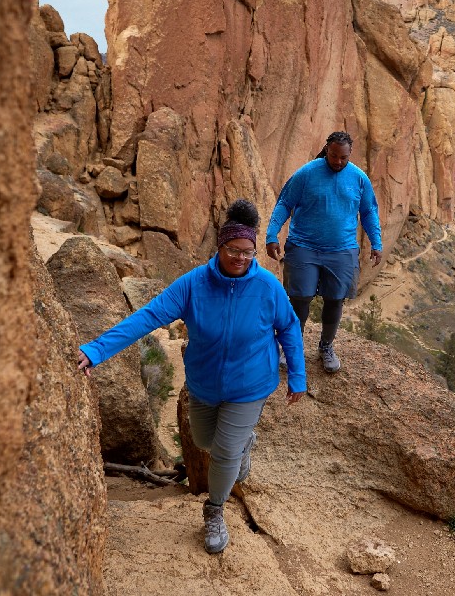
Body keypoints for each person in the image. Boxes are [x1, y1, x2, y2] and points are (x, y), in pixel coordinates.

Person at [77, 199, 305, 555]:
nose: (242, 259)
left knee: (225, 453)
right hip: (204, 384)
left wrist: (297, 376)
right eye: (234, 251)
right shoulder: (193, 285)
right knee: (204, 441)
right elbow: (146, 317)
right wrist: (97, 350)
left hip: (251, 385)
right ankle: (244, 444)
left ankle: (214, 510)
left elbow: (289, 327)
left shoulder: (267, 287)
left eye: (249, 252)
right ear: (220, 246)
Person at [266, 130, 383, 373]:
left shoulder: (359, 178)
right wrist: (272, 234)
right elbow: (284, 204)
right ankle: (291, 348)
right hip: (303, 246)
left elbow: (369, 212)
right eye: (333, 156)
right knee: (300, 298)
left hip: (341, 250)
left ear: (350, 154)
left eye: (343, 158)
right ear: (326, 150)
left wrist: (376, 243)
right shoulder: (307, 173)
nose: (338, 162)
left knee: (335, 300)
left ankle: (326, 346)